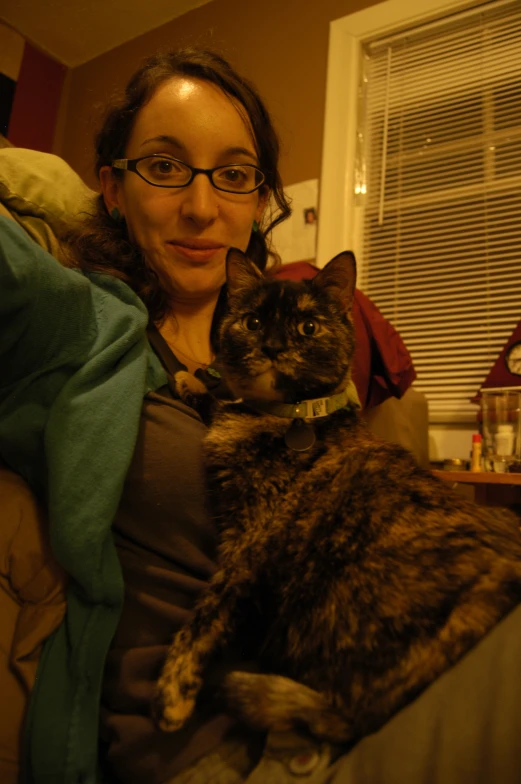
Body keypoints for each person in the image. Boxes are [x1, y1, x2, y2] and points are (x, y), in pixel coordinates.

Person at [3, 46, 519, 784]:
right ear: (112, 188)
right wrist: (36, 180)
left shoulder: (284, 327)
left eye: (235, 175)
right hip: (212, 743)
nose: (202, 206)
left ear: (256, 200)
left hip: (373, 675)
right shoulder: (82, 325)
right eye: (163, 165)